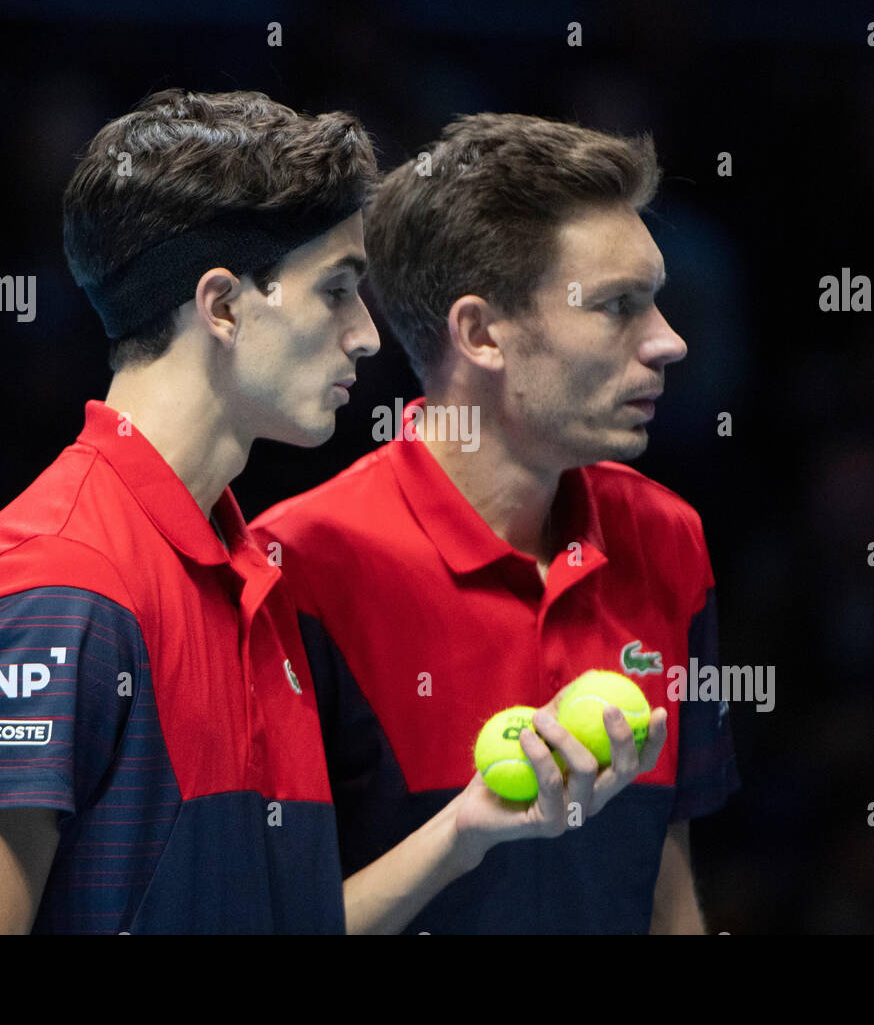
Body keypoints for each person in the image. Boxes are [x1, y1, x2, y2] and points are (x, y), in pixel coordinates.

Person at [0, 91, 657, 935]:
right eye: (336, 290)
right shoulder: (56, 583)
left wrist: (463, 830)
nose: (367, 335)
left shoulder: (254, 574)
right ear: (223, 306)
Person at [252, 112, 739, 934]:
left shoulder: (668, 537)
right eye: (620, 307)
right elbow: (268, 923)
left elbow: (664, 868)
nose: (668, 342)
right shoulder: (297, 564)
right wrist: (461, 836)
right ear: (480, 333)